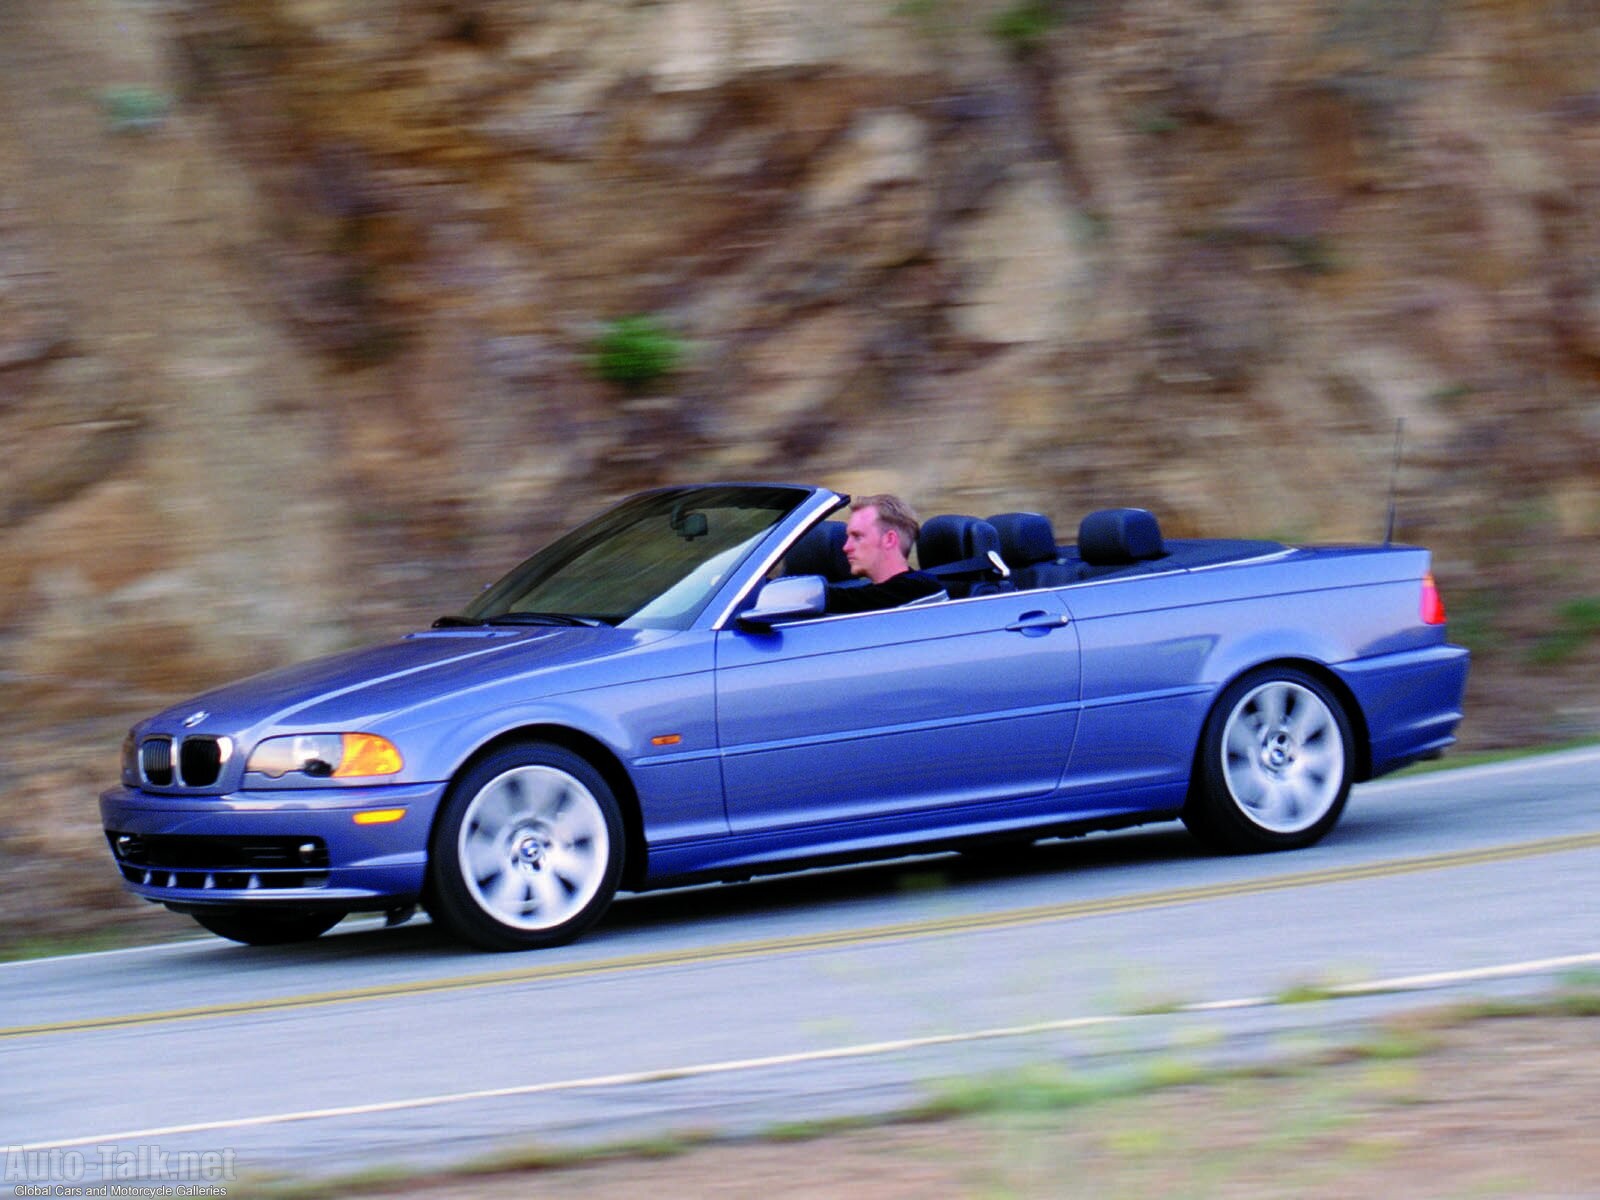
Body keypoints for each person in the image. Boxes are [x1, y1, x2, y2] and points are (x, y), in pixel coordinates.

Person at [826, 494, 944, 613]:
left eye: (857, 537)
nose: (846, 547)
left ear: (889, 540)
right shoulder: (885, 595)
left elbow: (840, 599)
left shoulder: (919, 589)